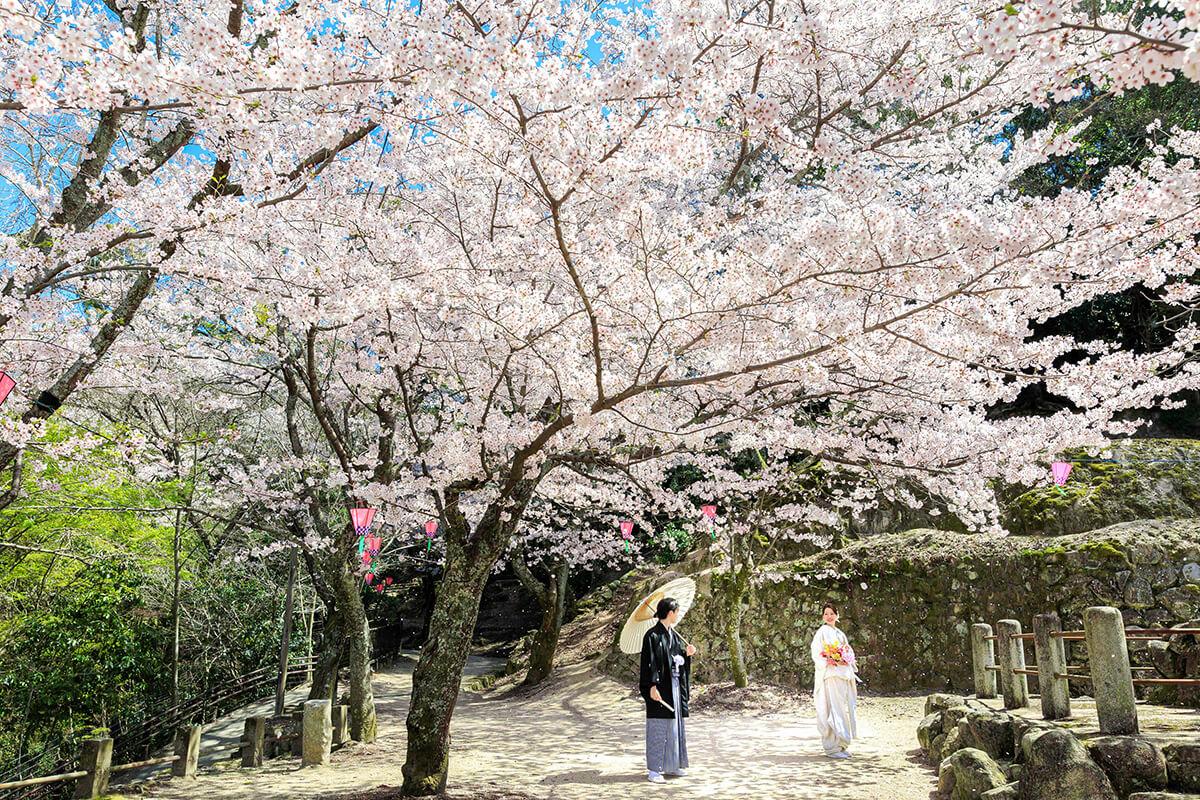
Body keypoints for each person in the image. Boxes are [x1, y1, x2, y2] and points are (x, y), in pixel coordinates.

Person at [639, 597, 697, 783]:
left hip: (674, 685)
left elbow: (674, 657)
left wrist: (684, 655)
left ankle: (673, 765)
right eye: (677, 612)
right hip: (660, 687)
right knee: (658, 726)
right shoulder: (652, 635)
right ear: (670, 613)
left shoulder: (673, 634)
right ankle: (654, 769)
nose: (677, 615)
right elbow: (650, 663)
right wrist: (652, 686)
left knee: (674, 725)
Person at [810, 601, 859, 758]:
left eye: (832, 613)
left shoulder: (839, 633)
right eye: (826, 614)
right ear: (823, 616)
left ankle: (841, 744)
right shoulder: (822, 631)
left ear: (837, 616)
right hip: (831, 673)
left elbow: (848, 651)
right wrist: (830, 660)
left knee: (842, 708)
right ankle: (832, 747)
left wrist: (846, 660)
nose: (829, 616)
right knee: (833, 708)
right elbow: (817, 652)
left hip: (842, 673)